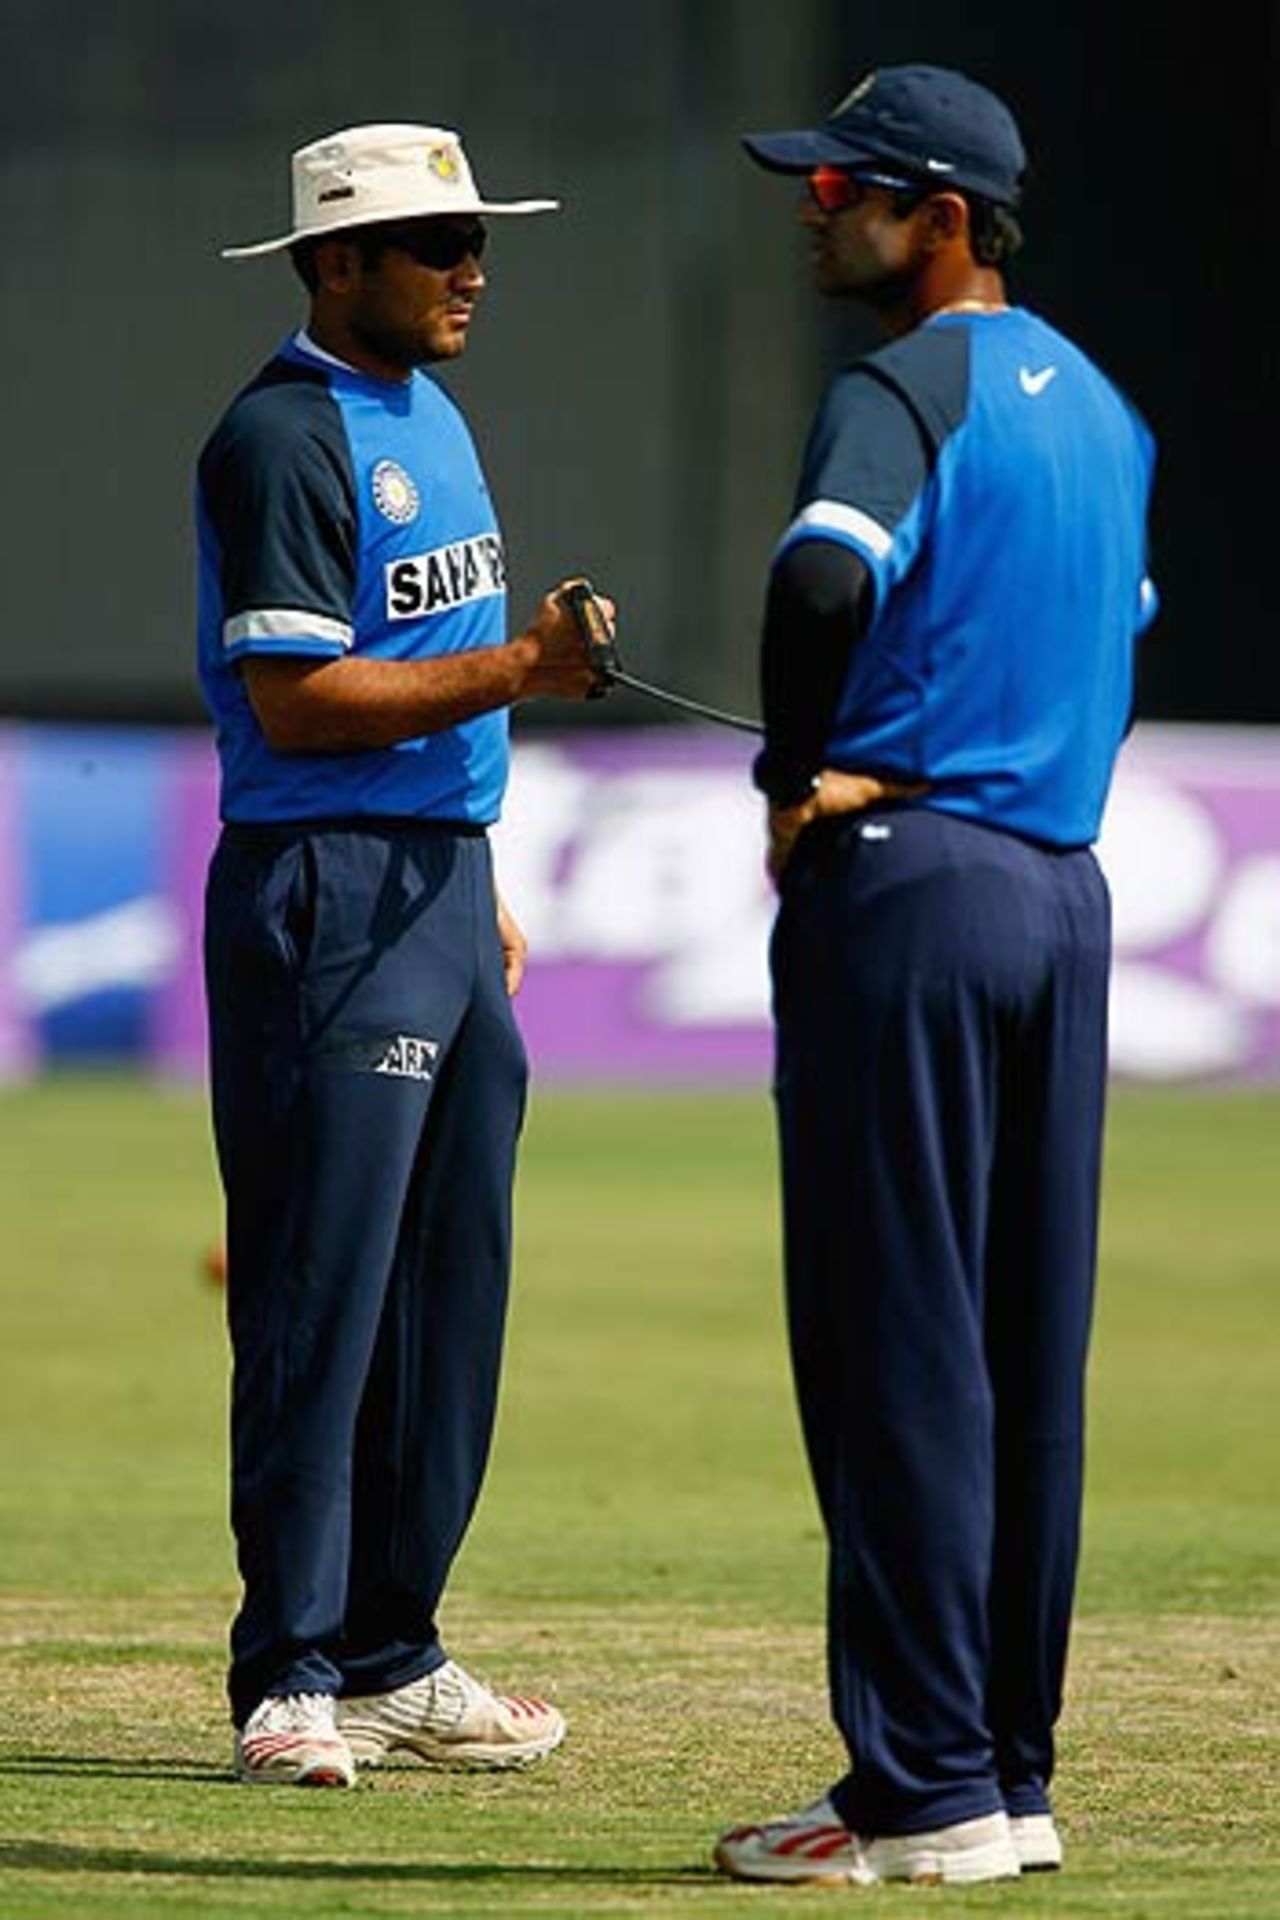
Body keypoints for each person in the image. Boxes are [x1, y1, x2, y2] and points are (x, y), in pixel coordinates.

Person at [713, 65, 1158, 1886]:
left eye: (849, 187)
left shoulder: (904, 387)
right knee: (1023, 1354)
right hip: (1064, 894)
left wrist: (790, 773)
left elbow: (822, 587)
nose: (815, 206)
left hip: (911, 890)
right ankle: (1010, 1774)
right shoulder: (1113, 415)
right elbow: (1109, 631)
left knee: (900, 1345)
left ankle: (919, 1793)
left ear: (945, 219)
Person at [196, 122, 608, 1787]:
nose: (469, 268)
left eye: (472, 236)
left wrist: (478, 863)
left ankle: (394, 1647)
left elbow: (420, 657)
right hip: (328, 893)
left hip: (441, 885)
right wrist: (523, 673)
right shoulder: (280, 437)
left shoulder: (430, 412)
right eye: (432, 242)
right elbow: (298, 702)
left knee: (453, 1293)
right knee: (321, 1290)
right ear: (332, 261)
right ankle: (287, 1673)